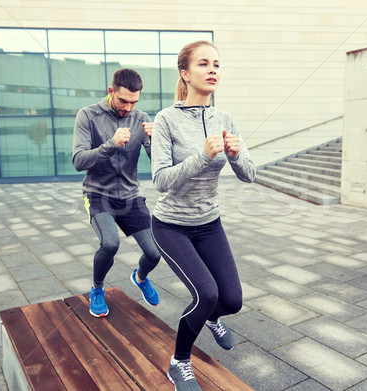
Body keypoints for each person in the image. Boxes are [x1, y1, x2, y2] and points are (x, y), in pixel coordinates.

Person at [150, 41, 256, 390]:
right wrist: (201, 156)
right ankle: (179, 362)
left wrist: (237, 155)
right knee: (206, 294)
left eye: (217, 64)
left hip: (209, 224)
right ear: (185, 73)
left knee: (232, 301)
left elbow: (249, 174)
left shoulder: (225, 119)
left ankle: (212, 319)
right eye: (204, 64)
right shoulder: (166, 119)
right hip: (171, 226)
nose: (213, 70)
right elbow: (161, 180)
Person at [72, 68, 161, 317]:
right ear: (111, 91)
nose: (128, 108)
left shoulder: (141, 118)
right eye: (123, 101)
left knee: (155, 251)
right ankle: (97, 288)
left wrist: (156, 142)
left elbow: (158, 163)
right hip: (99, 195)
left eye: (134, 102)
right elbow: (79, 160)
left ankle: (140, 278)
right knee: (110, 244)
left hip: (131, 196)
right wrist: (112, 144)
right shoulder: (88, 116)